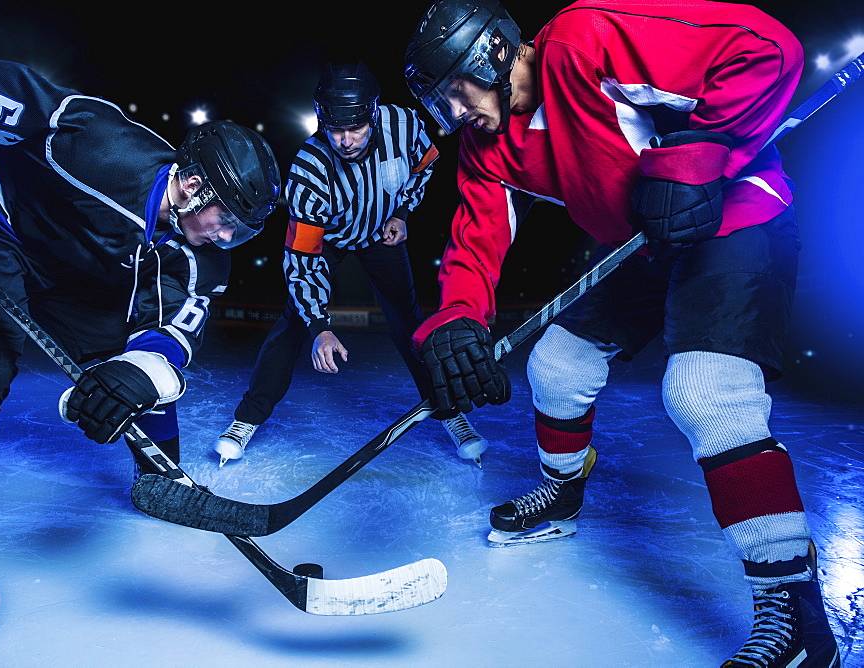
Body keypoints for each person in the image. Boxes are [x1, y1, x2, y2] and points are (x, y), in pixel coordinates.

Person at [403, 1, 841, 666]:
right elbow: (475, 239)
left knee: (704, 392)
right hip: (642, 242)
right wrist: (458, 318)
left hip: (733, 215)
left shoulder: (585, 39)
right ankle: (562, 494)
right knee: (556, 364)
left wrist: (702, 147)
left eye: (452, 93)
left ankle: (798, 622)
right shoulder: (485, 147)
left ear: (490, 55)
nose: (453, 112)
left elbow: (765, 48)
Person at [0, 54, 280, 642]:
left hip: (76, 276)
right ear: (193, 186)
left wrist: (135, 375)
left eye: (242, 232)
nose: (227, 238)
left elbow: (169, 333)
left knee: (130, 371)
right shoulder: (97, 145)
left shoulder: (203, 252)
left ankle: (162, 478)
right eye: (227, 220)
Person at [212, 60, 488, 467]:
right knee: (293, 324)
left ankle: (450, 412)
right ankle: (246, 421)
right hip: (331, 240)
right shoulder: (308, 169)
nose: (344, 141)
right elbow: (302, 257)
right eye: (334, 129)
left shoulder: (405, 127)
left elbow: (424, 165)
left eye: (354, 128)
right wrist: (320, 328)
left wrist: (401, 214)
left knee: (411, 324)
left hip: (381, 234)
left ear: (373, 115)